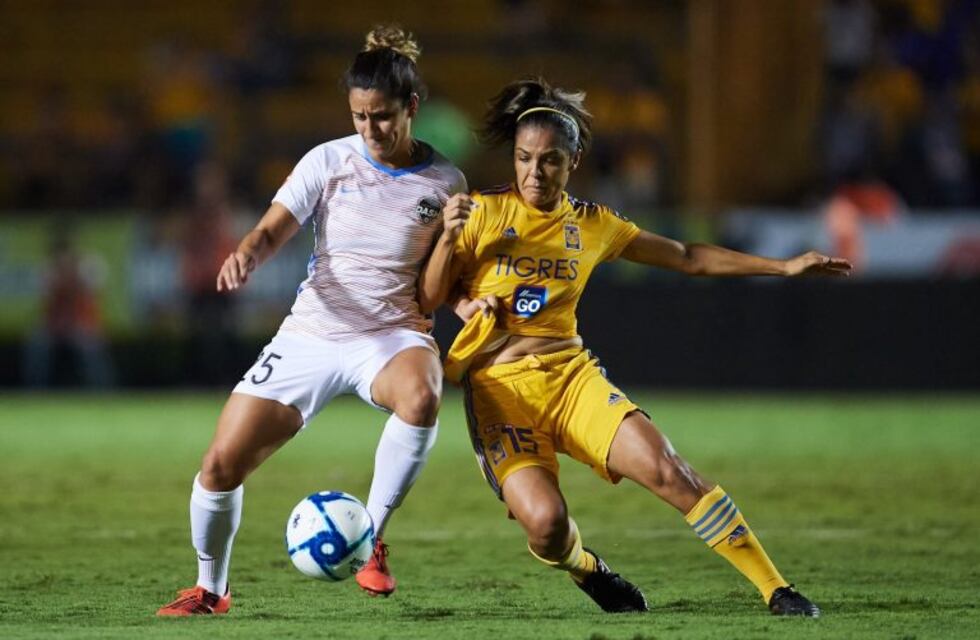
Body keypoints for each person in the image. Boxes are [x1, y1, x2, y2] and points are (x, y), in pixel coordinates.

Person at [419, 78, 851, 617]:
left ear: (572, 162)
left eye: (549, 160)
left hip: (569, 379)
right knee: (547, 526)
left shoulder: (593, 225)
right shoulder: (479, 213)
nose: (534, 172)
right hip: (500, 396)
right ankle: (587, 569)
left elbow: (688, 256)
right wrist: (445, 238)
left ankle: (775, 588)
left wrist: (782, 267)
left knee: (667, 469)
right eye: (525, 158)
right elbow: (431, 295)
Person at [157, 25, 467, 616]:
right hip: (313, 331)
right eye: (359, 116)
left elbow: (430, 294)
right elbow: (275, 225)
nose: (370, 130)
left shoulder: (444, 182)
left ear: (412, 109)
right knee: (219, 465)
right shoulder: (328, 160)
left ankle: (372, 540)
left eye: (382, 116)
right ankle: (210, 590)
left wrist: (456, 273)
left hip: (392, 332)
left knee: (422, 394)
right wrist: (248, 251)